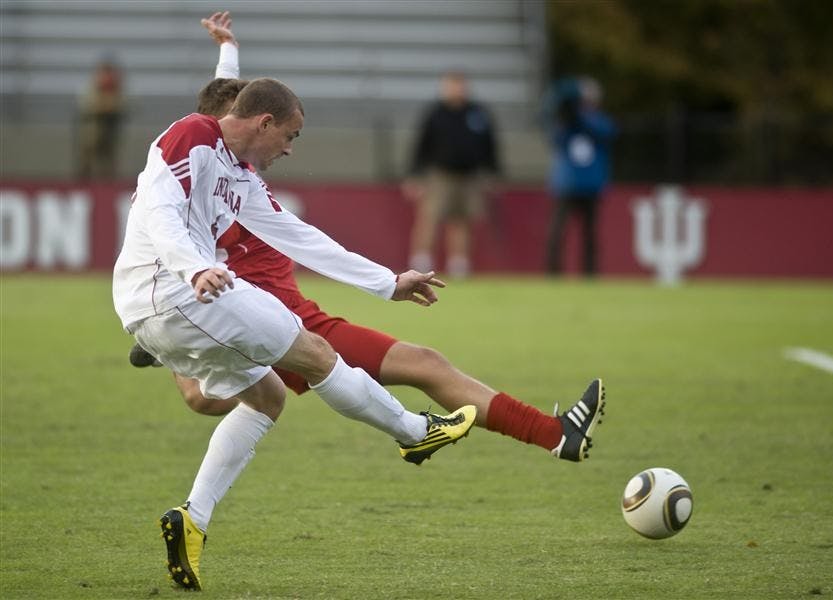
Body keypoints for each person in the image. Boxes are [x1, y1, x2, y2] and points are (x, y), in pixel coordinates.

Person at [131, 12, 604, 466]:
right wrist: (387, 282)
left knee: (212, 395)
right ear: (254, 125)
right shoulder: (223, 181)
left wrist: (228, 50)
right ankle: (554, 434)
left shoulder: (233, 164)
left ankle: (171, 356)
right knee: (425, 365)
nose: (288, 147)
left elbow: (231, 105)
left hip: (276, 312)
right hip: (274, 318)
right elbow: (273, 228)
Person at [113, 68, 481, 589]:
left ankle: (192, 519)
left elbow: (300, 237)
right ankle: (416, 433)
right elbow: (158, 209)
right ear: (264, 122)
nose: (290, 149)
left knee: (267, 396)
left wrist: (387, 282)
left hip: (158, 306)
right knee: (317, 354)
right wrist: (193, 266)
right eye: (290, 135)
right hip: (177, 290)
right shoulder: (192, 135)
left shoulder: (239, 175)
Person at [403, 71, 501, 278]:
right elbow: (421, 145)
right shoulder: (435, 113)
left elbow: (490, 145)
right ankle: (420, 263)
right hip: (440, 175)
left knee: (462, 221)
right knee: (429, 218)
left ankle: (459, 265)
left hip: (469, 176)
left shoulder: (477, 113)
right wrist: (415, 174)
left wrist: (493, 172)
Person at [545, 77, 616, 276]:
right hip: (567, 183)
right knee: (557, 232)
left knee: (590, 234)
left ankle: (590, 273)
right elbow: (555, 139)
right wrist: (567, 117)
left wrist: (580, 117)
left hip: (591, 184)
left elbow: (606, 132)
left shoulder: (600, 120)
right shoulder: (565, 122)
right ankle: (553, 273)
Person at [77, 57, 125, 179]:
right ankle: (85, 179)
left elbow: (123, 105)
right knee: (88, 153)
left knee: (108, 158)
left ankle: (107, 182)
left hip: (111, 128)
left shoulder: (117, 89)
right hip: (93, 127)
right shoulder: (92, 88)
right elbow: (87, 105)